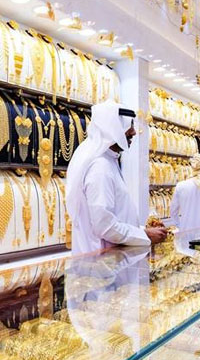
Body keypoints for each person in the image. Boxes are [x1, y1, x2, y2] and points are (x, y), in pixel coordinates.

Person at [65, 100, 168, 255]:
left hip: (111, 259)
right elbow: (104, 226)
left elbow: (116, 217)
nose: (133, 132)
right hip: (100, 263)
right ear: (111, 128)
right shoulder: (100, 167)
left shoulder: (108, 161)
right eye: (128, 126)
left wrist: (143, 231)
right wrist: (145, 235)